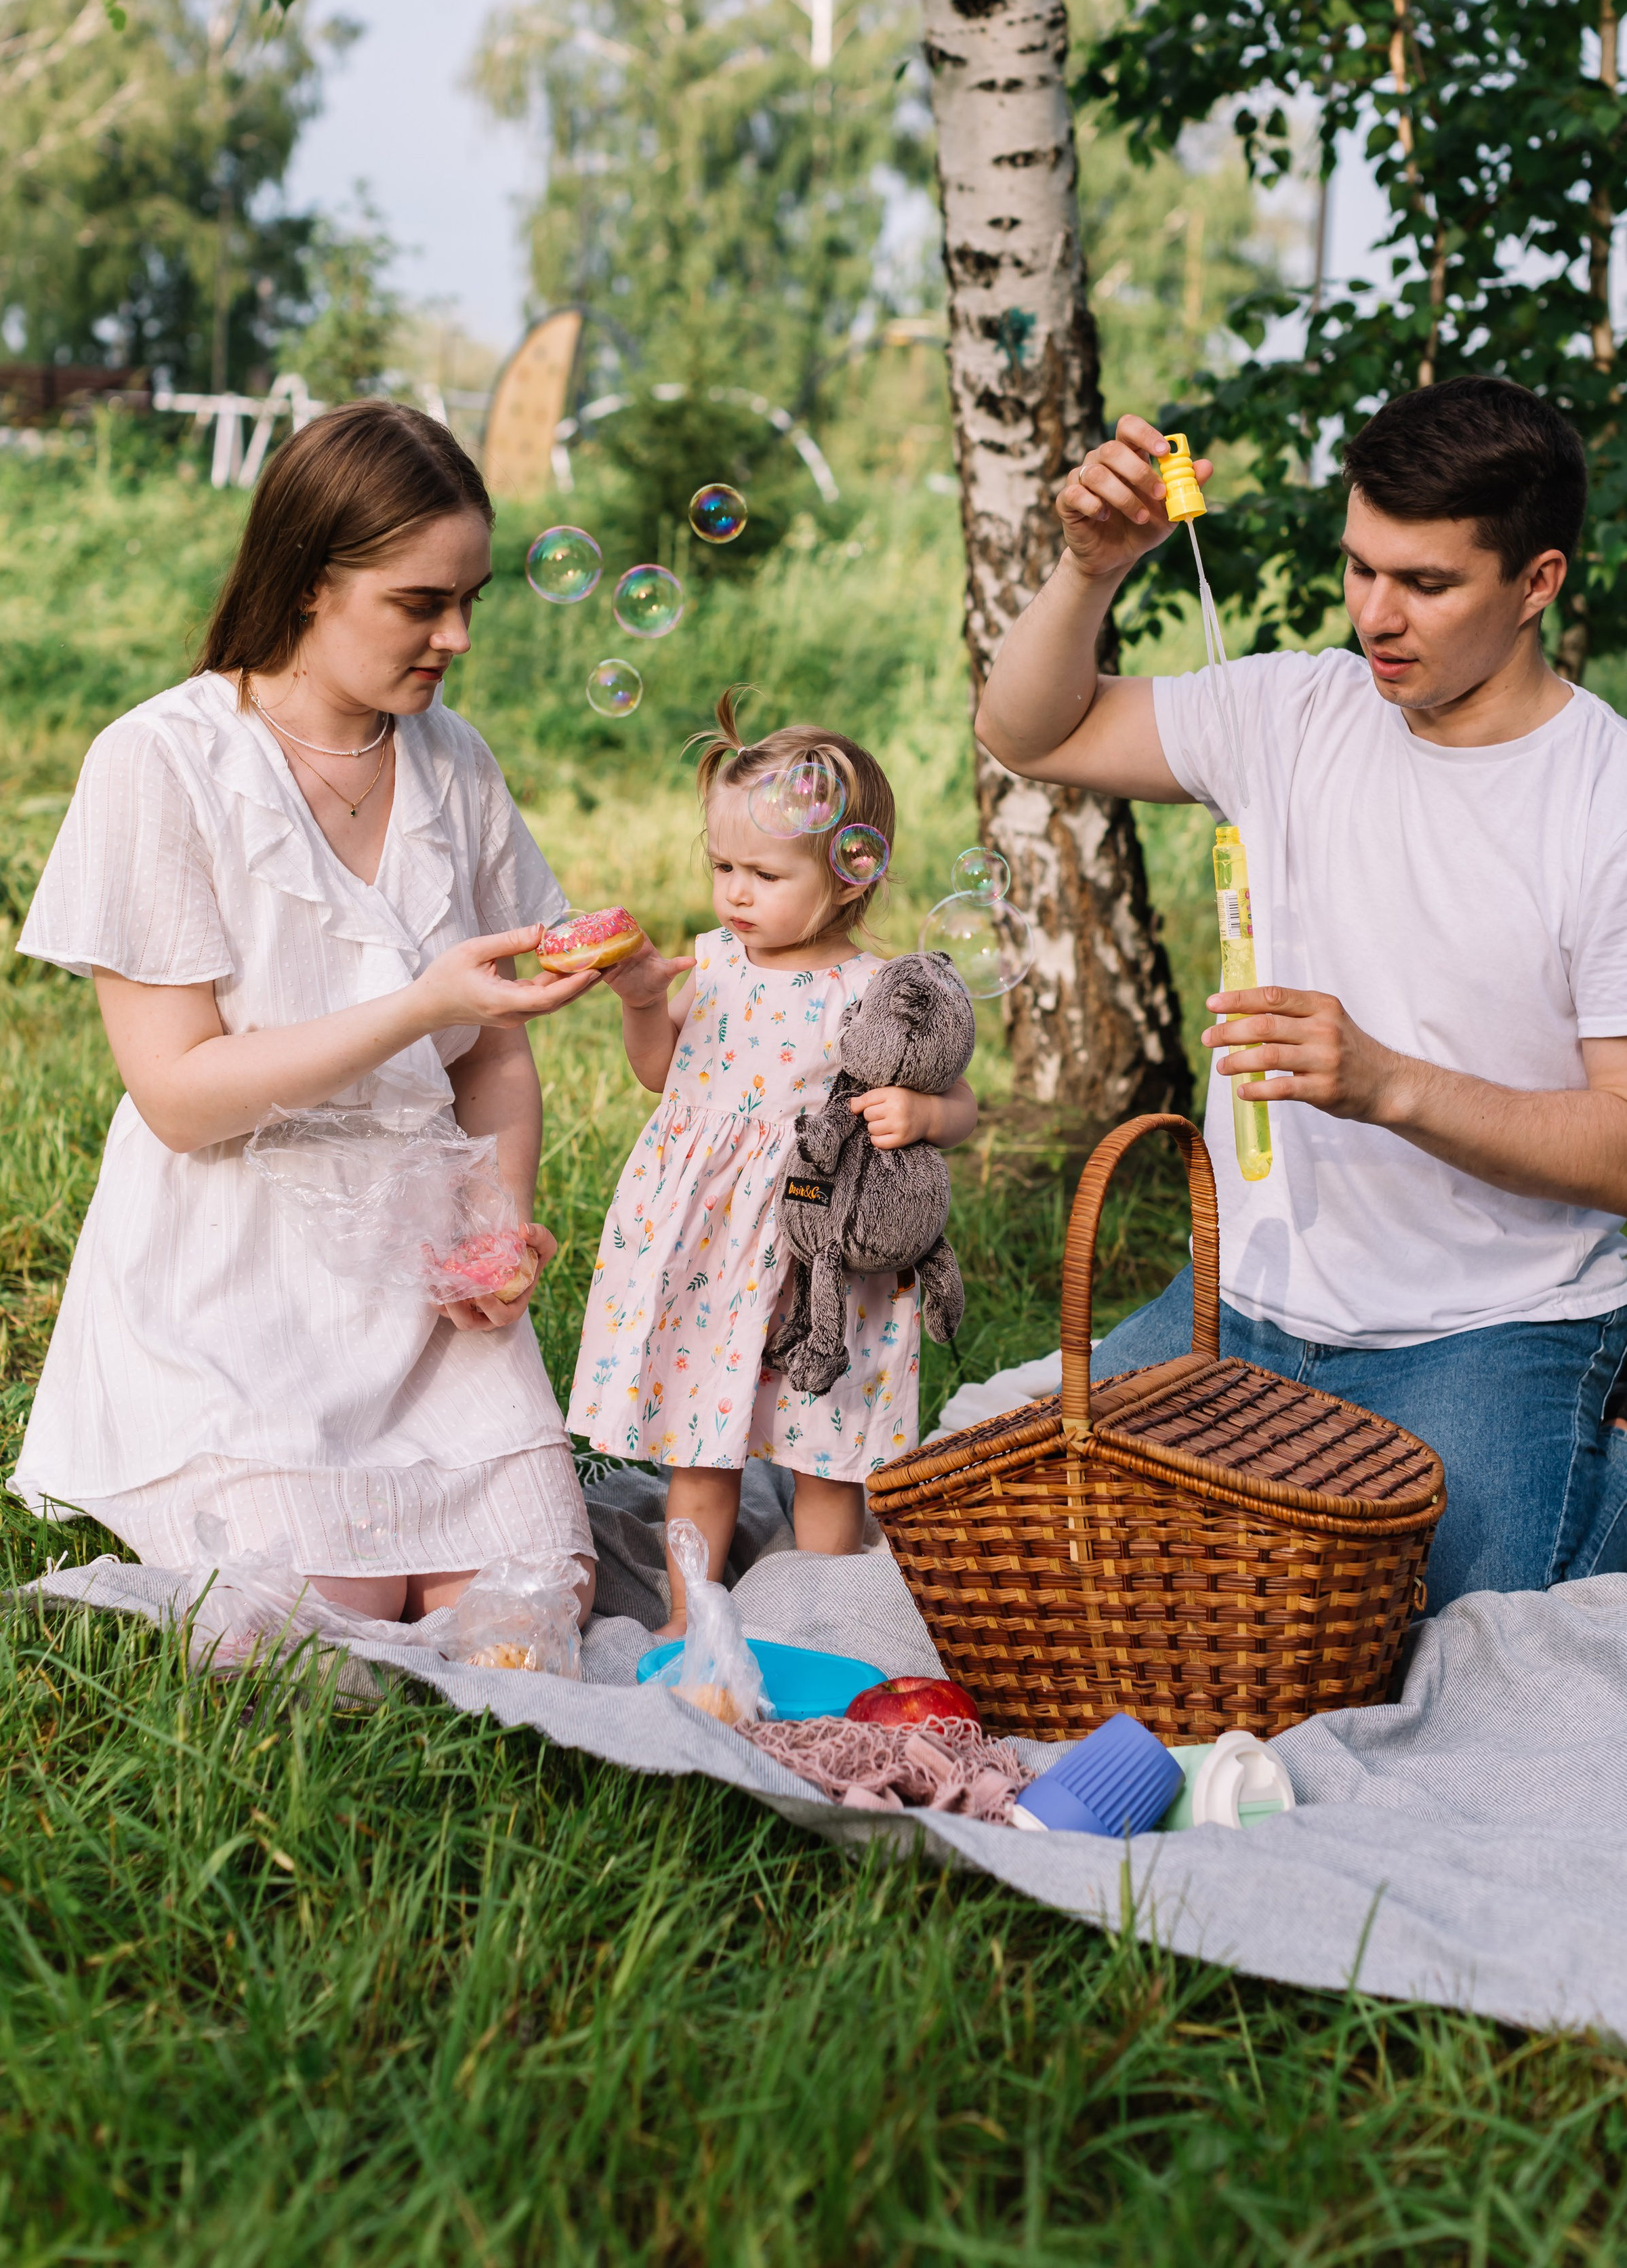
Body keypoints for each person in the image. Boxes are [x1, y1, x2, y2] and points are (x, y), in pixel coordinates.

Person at [975, 375, 1627, 1612]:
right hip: (1244, 1309)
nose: (1376, 617)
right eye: (1358, 567)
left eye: (1426, 585)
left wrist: (1390, 1084)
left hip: (1492, 1331)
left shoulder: (1606, 801)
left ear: (1537, 583)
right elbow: (1030, 733)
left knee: (1422, 1641)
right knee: (1047, 1568)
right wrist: (1090, 571)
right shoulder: (1295, 709)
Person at [12, 400, 601, 1622]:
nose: (458, 637)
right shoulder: (160, 762)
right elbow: (177, 1098)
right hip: (234, 1279)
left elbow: (494, 1052)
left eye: (472, 599)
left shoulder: (455, 761)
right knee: (309, 1634)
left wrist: (500, 1226)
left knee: (539, 1611)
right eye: (421, 603)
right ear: (308, 583)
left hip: (421, 1276)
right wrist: (411, 1006)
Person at [567, 693, 979, 1628]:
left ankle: (814, 1619)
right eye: (722, 867)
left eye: (764, 872)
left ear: (847, 877)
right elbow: (660, 1076)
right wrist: (639, 1004)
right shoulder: (713, 961)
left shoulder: (875, 992)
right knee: (701, 1449)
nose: (736, 893)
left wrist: (924, 1114)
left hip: (821, 1249)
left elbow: (965, 1106)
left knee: (827, 1449)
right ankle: (689, 1617)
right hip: (713, 1245)